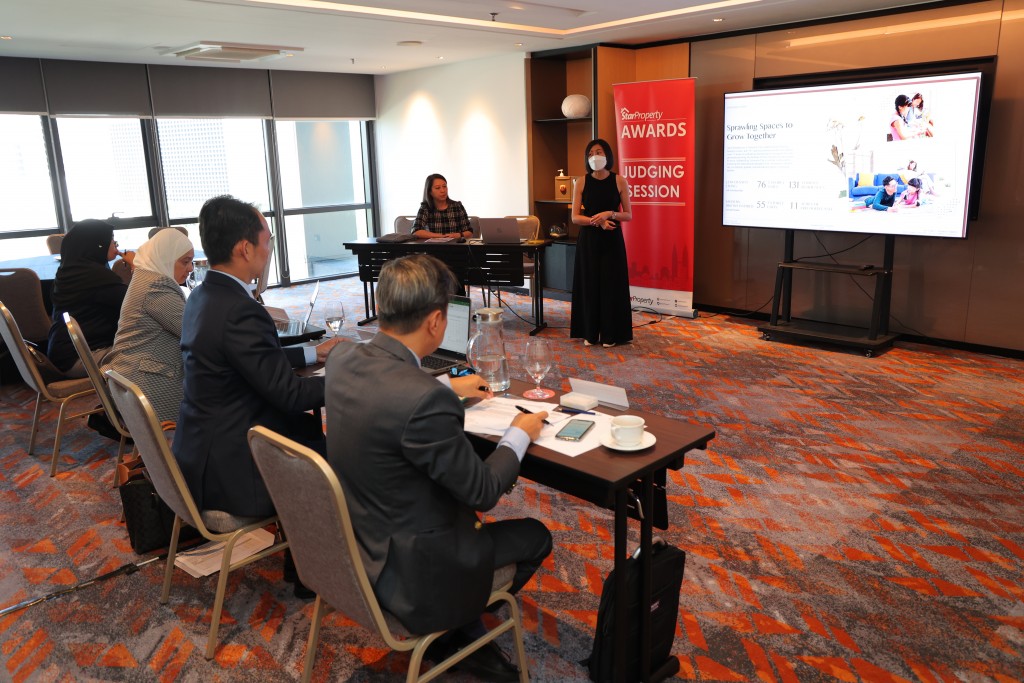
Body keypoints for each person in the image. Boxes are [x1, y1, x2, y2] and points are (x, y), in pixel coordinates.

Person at [325, 253, 552, 681]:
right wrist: (519, 431)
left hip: (358, 544)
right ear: (434, 322)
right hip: (416, 575)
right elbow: (482, 491)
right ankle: (457, 630)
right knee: (536, 536)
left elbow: (389, 391)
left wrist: (445, 384)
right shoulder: (423, 399)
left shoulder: (342, 360)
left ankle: (462, 630)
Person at [174, 195, 343, 522]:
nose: (269, 251)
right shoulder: (241, 309)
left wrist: (312, 351)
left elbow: (245, 359)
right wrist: (350, 377)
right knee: (344, 456)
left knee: (312, 435)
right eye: (267, 242)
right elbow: (290, 395)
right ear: (245, 248)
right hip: (233, 472)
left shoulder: (202, 294)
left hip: (203, 450)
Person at [102, 228, 195, 423]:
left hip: (131, 375)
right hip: (146, 384)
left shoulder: (145, 276)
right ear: (166, 257)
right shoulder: (156, 286)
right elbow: (195, 333)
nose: (191, 268)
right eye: (185, 262)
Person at [46, 219, 135, 378]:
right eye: (112, 240)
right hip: (81, 358)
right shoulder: (97, 278)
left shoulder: (71, 272)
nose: (116, 245)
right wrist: (137, 267)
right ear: (97, 245)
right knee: (150, 352)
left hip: (63, 354)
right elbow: (138, 302)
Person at [569, 138, 634, 348]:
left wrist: (610, 213)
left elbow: (628, 216)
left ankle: (611, 334)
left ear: (607, 155)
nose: (594, 156)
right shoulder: (581, 181)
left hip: (612, 241)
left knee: (610, 286)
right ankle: (589, 332)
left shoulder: (619, 181)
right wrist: (598, 222)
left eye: (598, 152)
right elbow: (575, 218)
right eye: (590, 154)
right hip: (588, 241)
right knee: (589, 285)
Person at [410, 173, 473, 239]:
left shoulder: (457, 206)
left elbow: (469, 232)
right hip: (434, 247)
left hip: (455, 246)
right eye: (437, 188)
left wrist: (458, 235)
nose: (443, 191)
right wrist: (442, 236)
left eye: (444, 186)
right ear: (430, 192)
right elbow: (416, 231)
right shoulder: (425, 208)